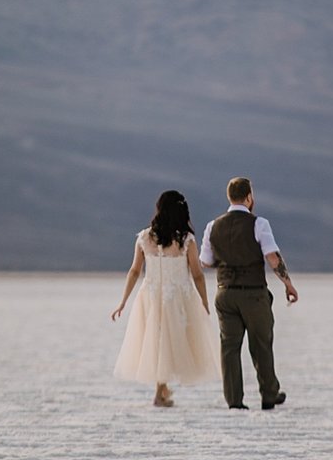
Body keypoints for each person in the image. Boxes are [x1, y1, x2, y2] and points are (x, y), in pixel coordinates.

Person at [111, 190, 218, 406]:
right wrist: (204, 301)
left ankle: (162, 390)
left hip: (150, 295)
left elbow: (134, 271)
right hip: (177, 296)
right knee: (171, 342)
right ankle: (160, 392)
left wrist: (123, 301)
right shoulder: (186, 239)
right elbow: (196, 274)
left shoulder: (144, 237)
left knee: (158, 340)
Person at [200, 176, 298, 411]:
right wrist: (288, 284)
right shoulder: (259, 224)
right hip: (253, 294)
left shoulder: (213, 226)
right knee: (261, 344)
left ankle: (234, 400)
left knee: (229, 347)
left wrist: (227, 263)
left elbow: (205, 261)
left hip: (224, 294)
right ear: (249, 197)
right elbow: (272, 258)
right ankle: (268, 395)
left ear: (229, 197)